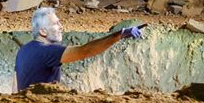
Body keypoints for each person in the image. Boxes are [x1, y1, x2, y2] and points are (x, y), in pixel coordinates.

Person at [15, 8, 145, 90]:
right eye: (55, 24)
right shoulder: (48, 51)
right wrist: (119, 34)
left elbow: (14, 84)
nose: (61, 27)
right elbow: (85, 51)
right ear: (42, 31)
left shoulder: (23, 50)